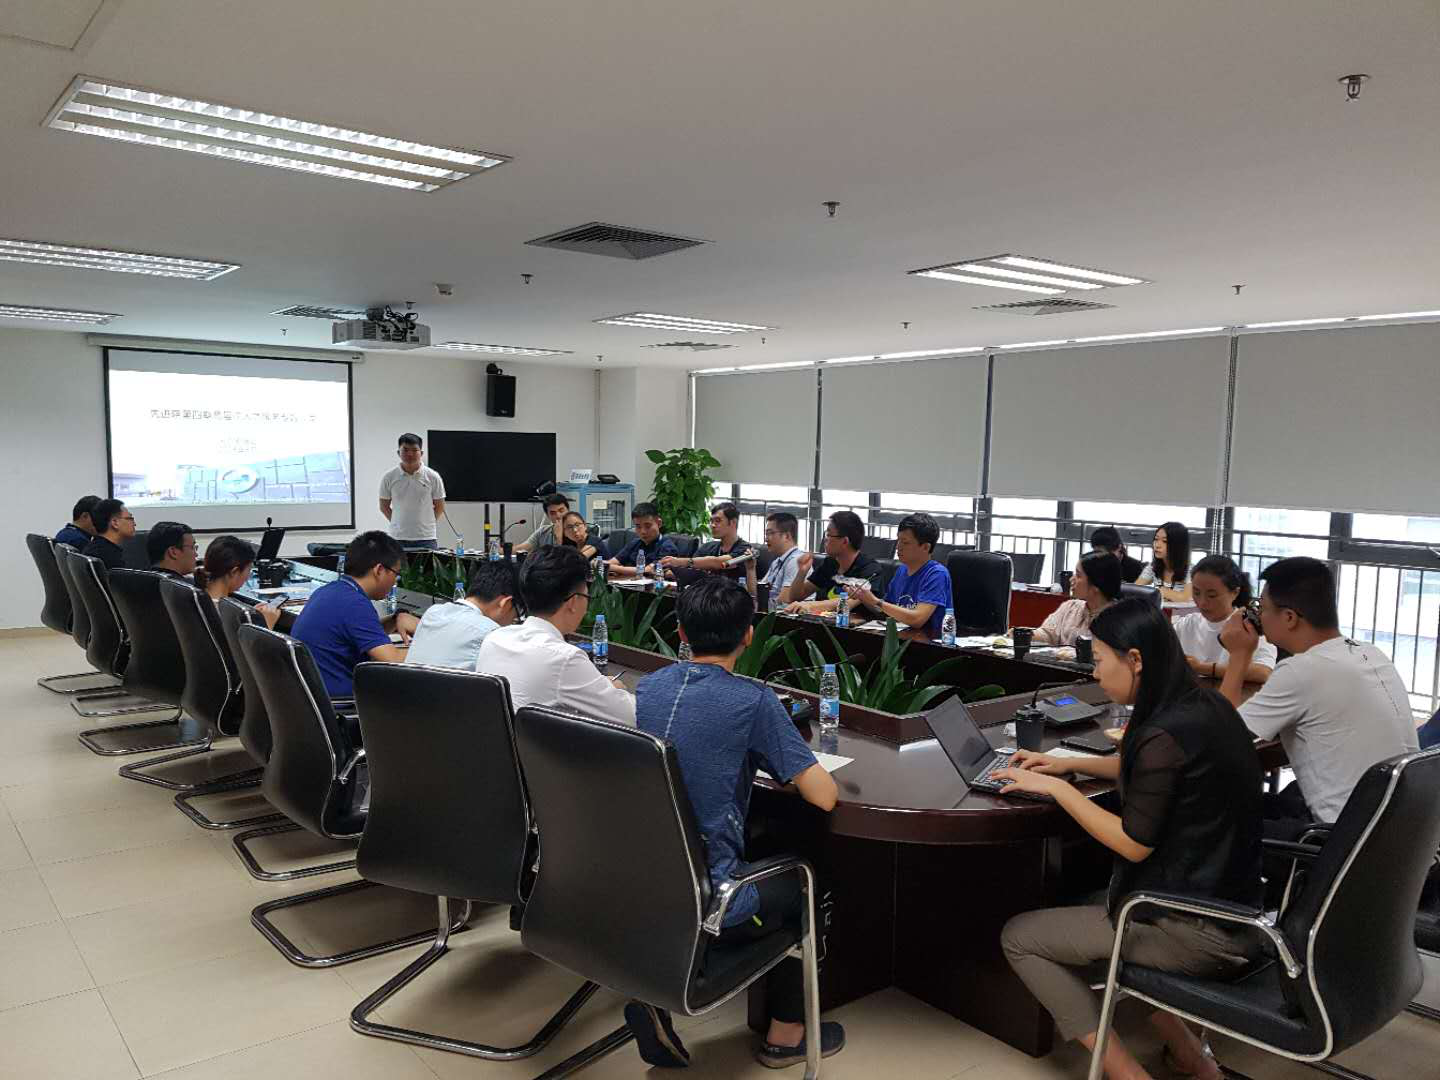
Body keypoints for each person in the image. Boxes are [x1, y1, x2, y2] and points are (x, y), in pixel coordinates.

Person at [997, 599, 1264, 1080]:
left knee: (1021, 938)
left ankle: (1128, 1074)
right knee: (1088, 902)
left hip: (1194, 932)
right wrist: (1069, 763)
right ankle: (1192, 1058)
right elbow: (1156, 768)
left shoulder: (1160, 732)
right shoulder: (1206, 705)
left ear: (1135, 660)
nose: (1095, 672)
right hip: (1240, 913)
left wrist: (1058, 789)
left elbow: (1133, 844)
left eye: (1101, 659)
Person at [632, 576, 844, 1069]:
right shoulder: (753, 700)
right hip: (713, 897)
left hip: (645, 880)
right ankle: (786, 1036)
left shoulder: (651, 687)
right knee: (810, 882)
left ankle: (658, 980)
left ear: (681, 633)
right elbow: (824, 796)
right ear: (749, 635)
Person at [1218, 556, 1418, 834]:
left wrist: (1239, 655)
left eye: (1263, 608)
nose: (1259, 616)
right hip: (1397, 832)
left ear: (1289, 618)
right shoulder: (1372, 653)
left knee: (1211, 817)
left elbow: (1220, 737)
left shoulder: (1301, 670)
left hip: (1340, 838)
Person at [476, 546, 635, 723]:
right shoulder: (564, 659)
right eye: (587, 596)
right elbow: (632, 716)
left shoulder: (494, 639)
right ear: (573, 602)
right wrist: (615, 689)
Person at [290, 531, 419, 700]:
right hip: (342, 703)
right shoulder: (354, 604)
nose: (396, 581)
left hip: (312, 698)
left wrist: (395, 620)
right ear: (379, 570)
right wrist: (434, 645)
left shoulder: (330, 591)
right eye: (396, 574)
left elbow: (359, 633)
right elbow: (393, 659)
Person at [1172, 555, 1275, 685]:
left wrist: (1202, 668)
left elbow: (1263, 672)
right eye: (1196, 593)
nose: (1202, 603)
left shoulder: (1249, 626)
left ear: (1235, 593)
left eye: (1212, 595)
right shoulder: (1187, 624)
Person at [850, 512, 952, 641]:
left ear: (925, 547)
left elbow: (917, 619)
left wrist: (876, 601)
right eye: (898, 540)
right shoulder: (902, 570)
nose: (898, 547)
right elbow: (885, 610)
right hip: (900, 639)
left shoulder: (937, 574)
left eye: (905, 542)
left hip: (927, 644)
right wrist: (864, 597)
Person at [406, 559, 520, 670]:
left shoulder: (433, 612)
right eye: (516, 616)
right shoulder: (491, 632)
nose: (512, 622)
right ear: (506, 603)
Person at [785, 510, 884, 615]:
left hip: (856, 624)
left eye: (828, 534)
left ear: (844, 541)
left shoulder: (869, 569)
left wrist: (810, 605)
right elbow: (795, 597)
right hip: (825, 621)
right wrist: (802, 572)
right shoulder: (830, 563)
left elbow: (849, 602)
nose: (825, 539)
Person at [1028, 550, 1122, 646]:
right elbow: (1048, 634)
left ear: (1096, 585)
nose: (1071, 579)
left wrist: (1070, 652)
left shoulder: (1119, 620)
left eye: (1078, 575)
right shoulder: (1070, 607)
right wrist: (1025, 634)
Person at [378, 433, 447, 550]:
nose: (410, 454)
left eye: (414, 450)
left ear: (421, 453)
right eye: (405, 450)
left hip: (426, 538)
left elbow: (440, 506)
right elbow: (384, 506)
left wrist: (426, 523)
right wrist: (397, 523)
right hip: (397, 538)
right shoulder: (389, 477)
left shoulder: (433, 477)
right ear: (398, 453)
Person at [199, 535, 279, 628]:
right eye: (249, 570)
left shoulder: (198, 600)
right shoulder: (229, 613)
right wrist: (267, 624)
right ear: (234, 572)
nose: (248, 577)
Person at [661, 501, 753, 576]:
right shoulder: (708, 547)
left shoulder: (745, 549)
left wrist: (679, 561)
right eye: (711, 521)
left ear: (733, 523)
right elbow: (689, 571)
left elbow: (719, 563)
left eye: (718, 521)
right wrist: (662, 571)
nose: (712, 525)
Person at [606, 502, 679, 579]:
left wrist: (615, 568)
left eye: (647, 526)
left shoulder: (667, 547)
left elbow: (648, 570)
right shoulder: (635, 543)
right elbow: (611, 563)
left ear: (659, 523)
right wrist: (603, 564)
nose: (643, 531)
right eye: (638, 527)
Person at [1135, 522, 1193, 602]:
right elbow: (1135, 590)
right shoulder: (1152, 567)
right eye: (1156, 539)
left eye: (1165, 541)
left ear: (1178, 545)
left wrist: (1162, 591)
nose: (1157, 545)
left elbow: (1186, 598)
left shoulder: (1191, 570)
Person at [761, 512, 804, 606]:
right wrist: (750, 569)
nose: (766, 539)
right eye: (766, 534)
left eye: (770, 533)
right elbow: (759, 592)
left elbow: (784, 601)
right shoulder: (777, 562)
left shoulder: (795, 561)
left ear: (787, 536)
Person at [82, 498, 135, 570]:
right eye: (130, 518)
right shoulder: (109, 557)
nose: (134, 524)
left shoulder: (94, 548)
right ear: (115, 523)